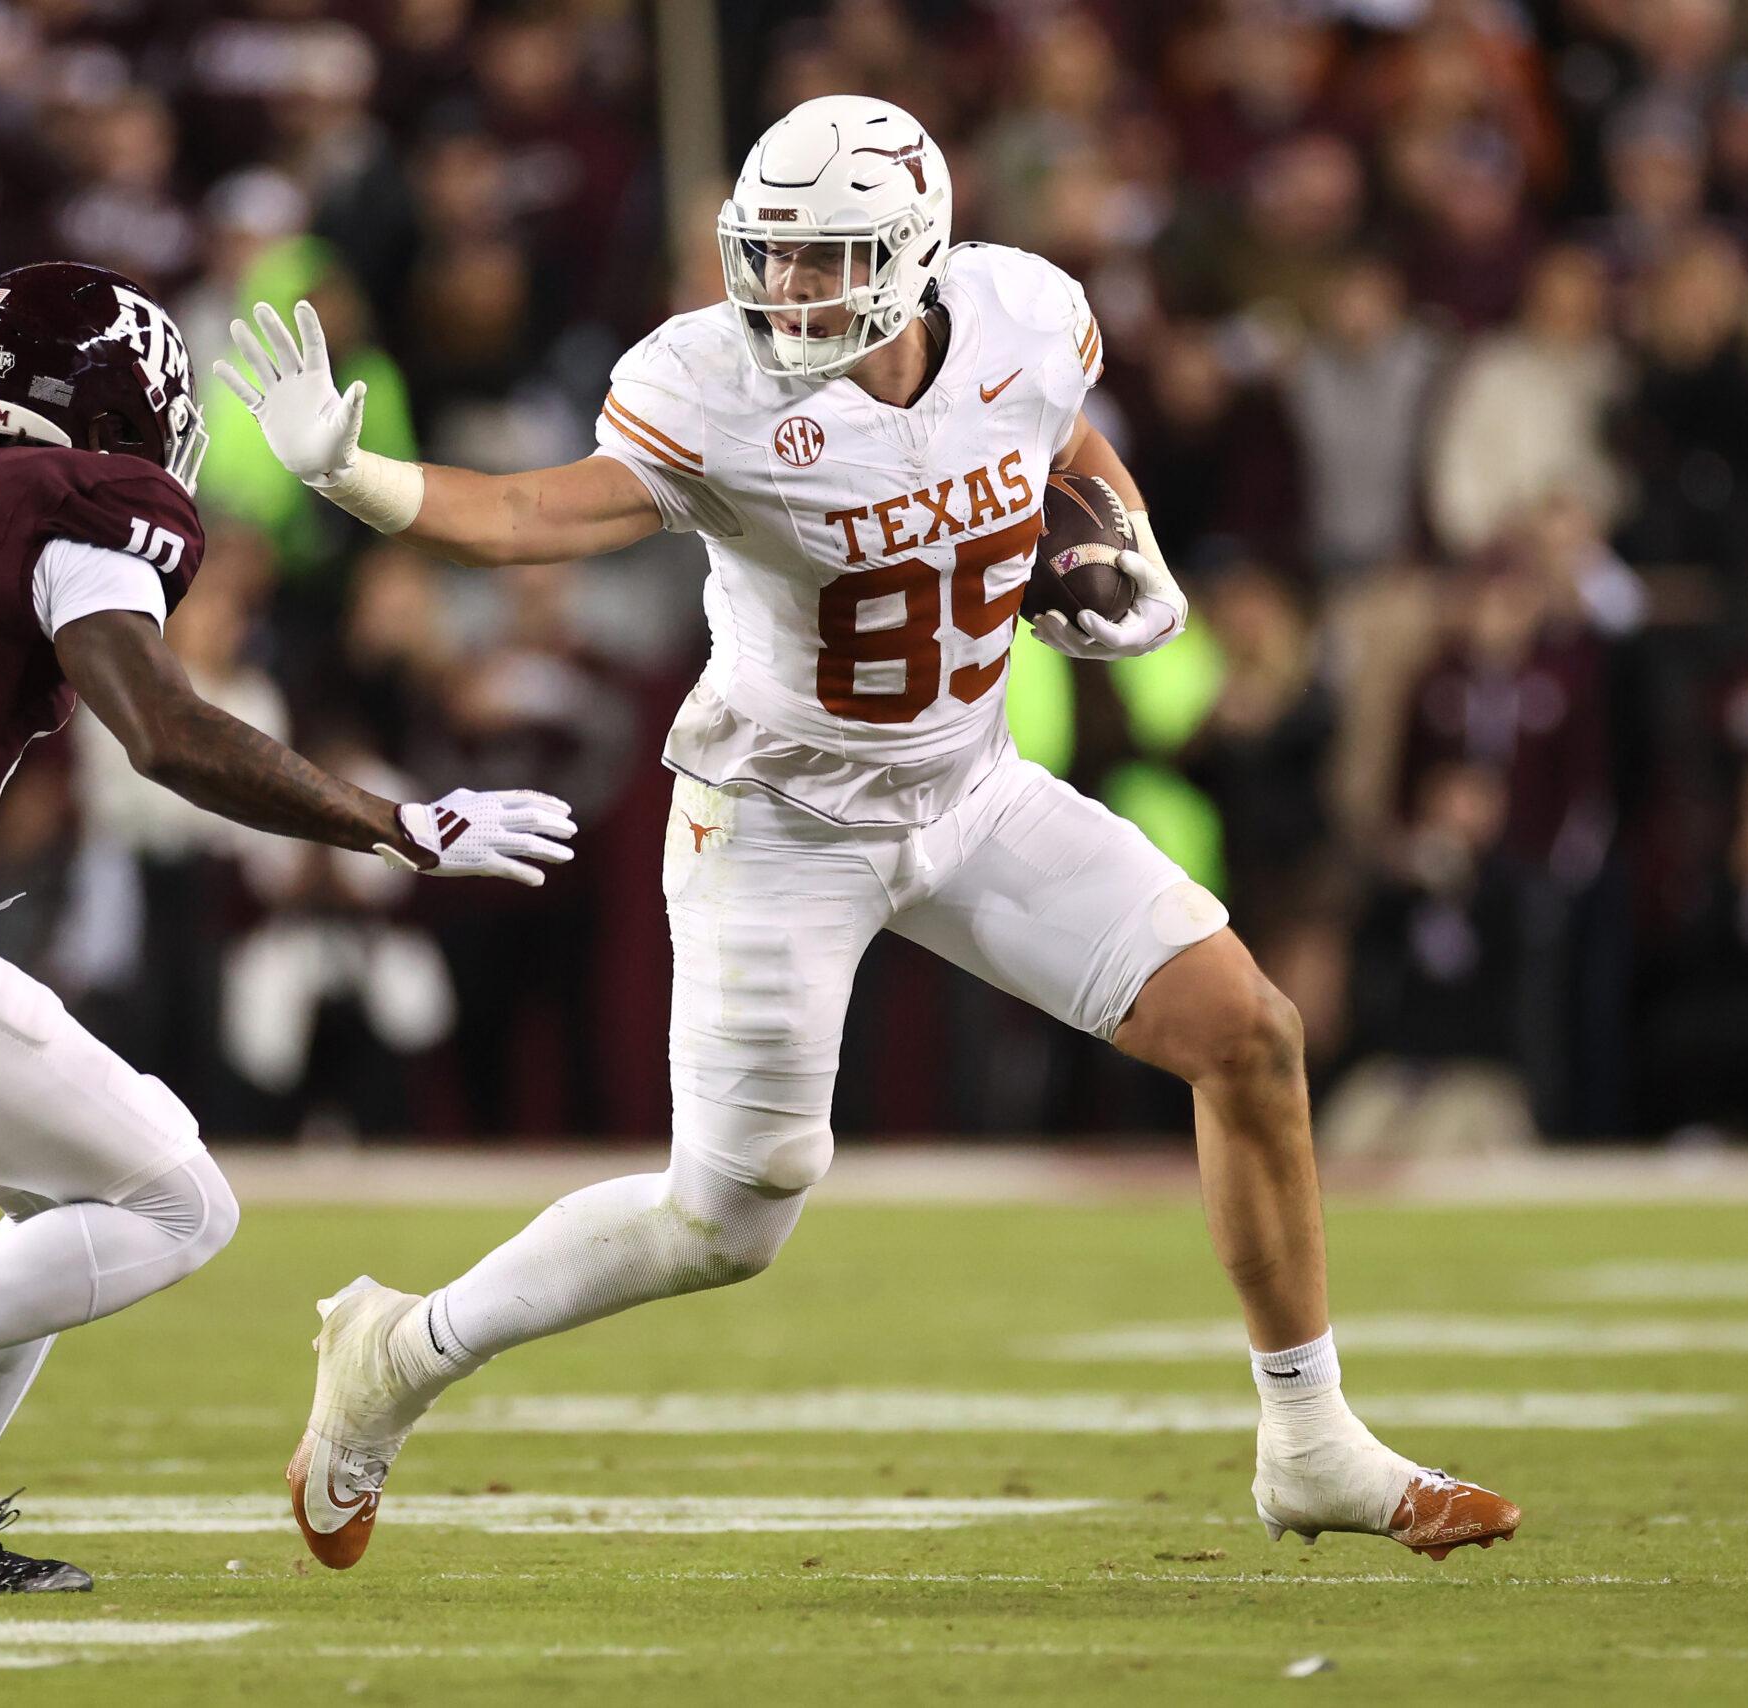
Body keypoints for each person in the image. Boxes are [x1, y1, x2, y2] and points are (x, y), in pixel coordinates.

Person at [217, 95, 1520, 1570]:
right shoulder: (714, 387)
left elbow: (1063, 439)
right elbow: (531, 516)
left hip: (969, 789)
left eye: (824, 257)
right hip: (778, 819)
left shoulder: (1024, 315)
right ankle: (399, 1353)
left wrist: (1121, 539)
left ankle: (1310, 1441)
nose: (785, 288)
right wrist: (355, 476)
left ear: (916, 254)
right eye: (767, 253)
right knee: (730, 1218)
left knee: (1250, 1034)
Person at [0, 262, 574, 1600]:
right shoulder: (76, 502)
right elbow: (165, 734)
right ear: (104, 412)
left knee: (69, 1199)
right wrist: (396, 823)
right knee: (182, 1203)